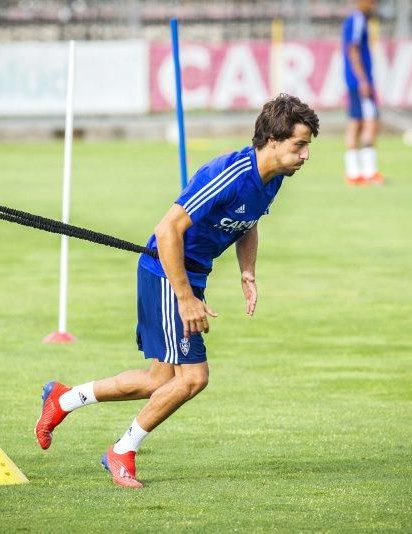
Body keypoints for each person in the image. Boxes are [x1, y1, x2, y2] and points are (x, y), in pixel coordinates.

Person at [34, 94, 319, 489]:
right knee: (193, 378)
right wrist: (185, 297)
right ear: (272, 139)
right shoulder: (231, 173)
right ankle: (121, 451)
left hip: (191, 275)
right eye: (299, 145)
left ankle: (63, 399)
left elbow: (248, 222)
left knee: (158, 380)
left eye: (307, 146)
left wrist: (247, 272)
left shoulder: (273, 179)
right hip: (168, 272)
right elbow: (168, 229)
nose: (305, 155)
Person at [342, 0, 384, 186]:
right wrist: (363, 80)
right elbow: (353, 50)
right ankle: (368, 172)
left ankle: (355, 173)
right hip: (360, 82)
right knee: (370, 122)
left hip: (354, 81)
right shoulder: (358, 19)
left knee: (357, 123)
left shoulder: (353, 21)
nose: (374, 6)